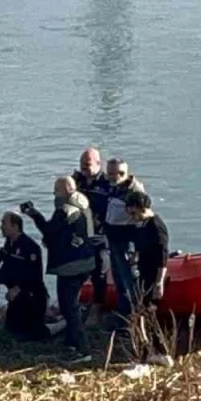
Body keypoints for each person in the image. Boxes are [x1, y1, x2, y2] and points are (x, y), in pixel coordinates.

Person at [24, 177, 97, 364]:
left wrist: (33, 214)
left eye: (56, 190)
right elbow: (66, 233)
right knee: (69, 305)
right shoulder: (82, 205)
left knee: (69, 306)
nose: (53, 194)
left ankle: (83, 349)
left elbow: (49, 229)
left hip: (70, 266)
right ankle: (72, 341)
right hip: (85, 261)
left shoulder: (66, 210)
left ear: (65, 189)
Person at [125, 191, 173, 365]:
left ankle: (161, 351)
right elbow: (139, 246)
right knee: (142, 313)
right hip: (143, 273)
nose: (132, 217)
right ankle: (147, 349)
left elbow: (163, 256)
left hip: (154, 275)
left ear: (143, 208)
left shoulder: (156, 227)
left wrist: (159, 283)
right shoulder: (142, 225)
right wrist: (135, 256)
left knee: (149, 313)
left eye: (133, 213)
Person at [0, 211, 54, 341]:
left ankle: (54, 325)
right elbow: (6, 264)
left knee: (32, 334)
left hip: (31, 294)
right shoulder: (9, 243)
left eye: (4, 223)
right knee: (11, 327)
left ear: (15, 226)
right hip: (16, 294)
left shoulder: (30, 247)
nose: (1, 226)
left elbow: (35, 276)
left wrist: (18, 289)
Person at [103, 157, 146, 325]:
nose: (115, 176)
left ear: (126, 173)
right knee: (119, 282)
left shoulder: (135, 191)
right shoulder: (113, 187)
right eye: (112, 173)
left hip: (127, 242)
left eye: (120, 173)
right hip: (114, 240)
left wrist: (138, 249)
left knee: (130, 282)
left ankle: (134, 320)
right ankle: (122, 316)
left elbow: (141, 220)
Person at [72, 147, 111, 319]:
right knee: (74, 271)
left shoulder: (107, 183)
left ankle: (97, 307)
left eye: (87, 165)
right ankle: (73, 304)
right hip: (79, 235)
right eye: (81, 165)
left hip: (99, 234)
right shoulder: (76, 181)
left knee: (99, 271)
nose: (84, 168)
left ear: (98, 164)